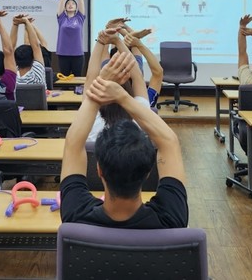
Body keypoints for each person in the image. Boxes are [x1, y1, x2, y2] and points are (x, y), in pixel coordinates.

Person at [59, 53, 188, 229]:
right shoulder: (171, 219)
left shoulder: (75, 215)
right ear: (148, 172)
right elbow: (170, 142)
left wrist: (100, 83)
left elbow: (73, 144)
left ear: (98, 169)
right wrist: (123, 97)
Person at [85, 26, 150, 142]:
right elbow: (138, 77)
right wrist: (118, 41)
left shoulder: (92, 120)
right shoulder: (141, 116)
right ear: (128, 91)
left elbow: (90, 77)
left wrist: (100, 41)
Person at [56, 0, 85, 76]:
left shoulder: (79, 18)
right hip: (63, 54)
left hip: (77, 54)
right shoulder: (62, 18)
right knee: (64, 79)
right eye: (68, 4)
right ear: (65, 7)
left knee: (77, 79)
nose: (70, 5)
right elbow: (61, 0)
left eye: (73, 3)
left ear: (76, 7)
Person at [9, 14, 45, 86]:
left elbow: (10, 49)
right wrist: (27, 22)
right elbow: (36, 47)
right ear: (33, 59)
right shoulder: (37, 75)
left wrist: (15, 24)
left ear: (15, 59)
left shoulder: (11, 77)